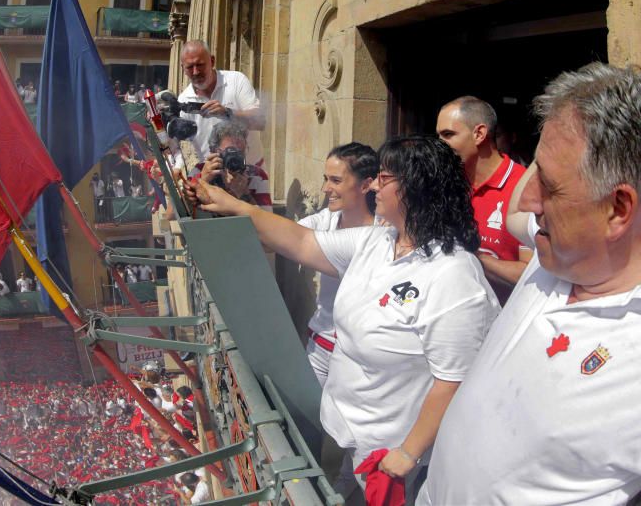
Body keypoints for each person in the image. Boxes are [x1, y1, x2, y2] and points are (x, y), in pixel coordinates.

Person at [418, 63, 641, 505]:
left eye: (548, 184)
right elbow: (514, 217)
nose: (528, 202)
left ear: (619, 209)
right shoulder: (564, 241)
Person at [193, 135, 499, 494]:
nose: (375, 186)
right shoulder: (377, 240)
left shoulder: (454, 275)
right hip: (351, 437)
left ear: (415, 189)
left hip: (391, 458)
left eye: (385, 179)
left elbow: (454, 380)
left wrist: (407, 454)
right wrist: (231, 204)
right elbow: (303, 242)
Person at [297, 142, 378, 386]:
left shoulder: (388, 231)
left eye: (335, 180)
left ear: (365, 185)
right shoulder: (325, 220)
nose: (325, 188)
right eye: (325, 179)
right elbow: (279, 238)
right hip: (318, 347)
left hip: (359, 360)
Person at [436, 96, 531, 298]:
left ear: (479, 134)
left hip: (501, 320)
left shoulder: (524, 187)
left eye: (448, 134)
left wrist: (470, 257)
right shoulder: (446, 183)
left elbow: (531, 275)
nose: (440, 145)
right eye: (439, 136)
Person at [177, 39, 265, 165]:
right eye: (190, 67)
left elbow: (261, 121)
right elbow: (181, 144)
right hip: (214, 178)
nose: (196, 72)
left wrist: (228, 114)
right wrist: (177, 167)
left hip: (252, 173)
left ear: (212, 61)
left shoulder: (236, 81)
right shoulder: (183, 101)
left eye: (200, 64)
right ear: (183, 69)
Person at [196, 121, 271, 210]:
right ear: (214, 151)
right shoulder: (199, 171)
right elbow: (187, 215)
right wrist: (203, 182)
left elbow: (267, 220)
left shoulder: (257, 176)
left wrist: (244, 195)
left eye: (240, 152)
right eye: (230, 151)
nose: (236, 157)